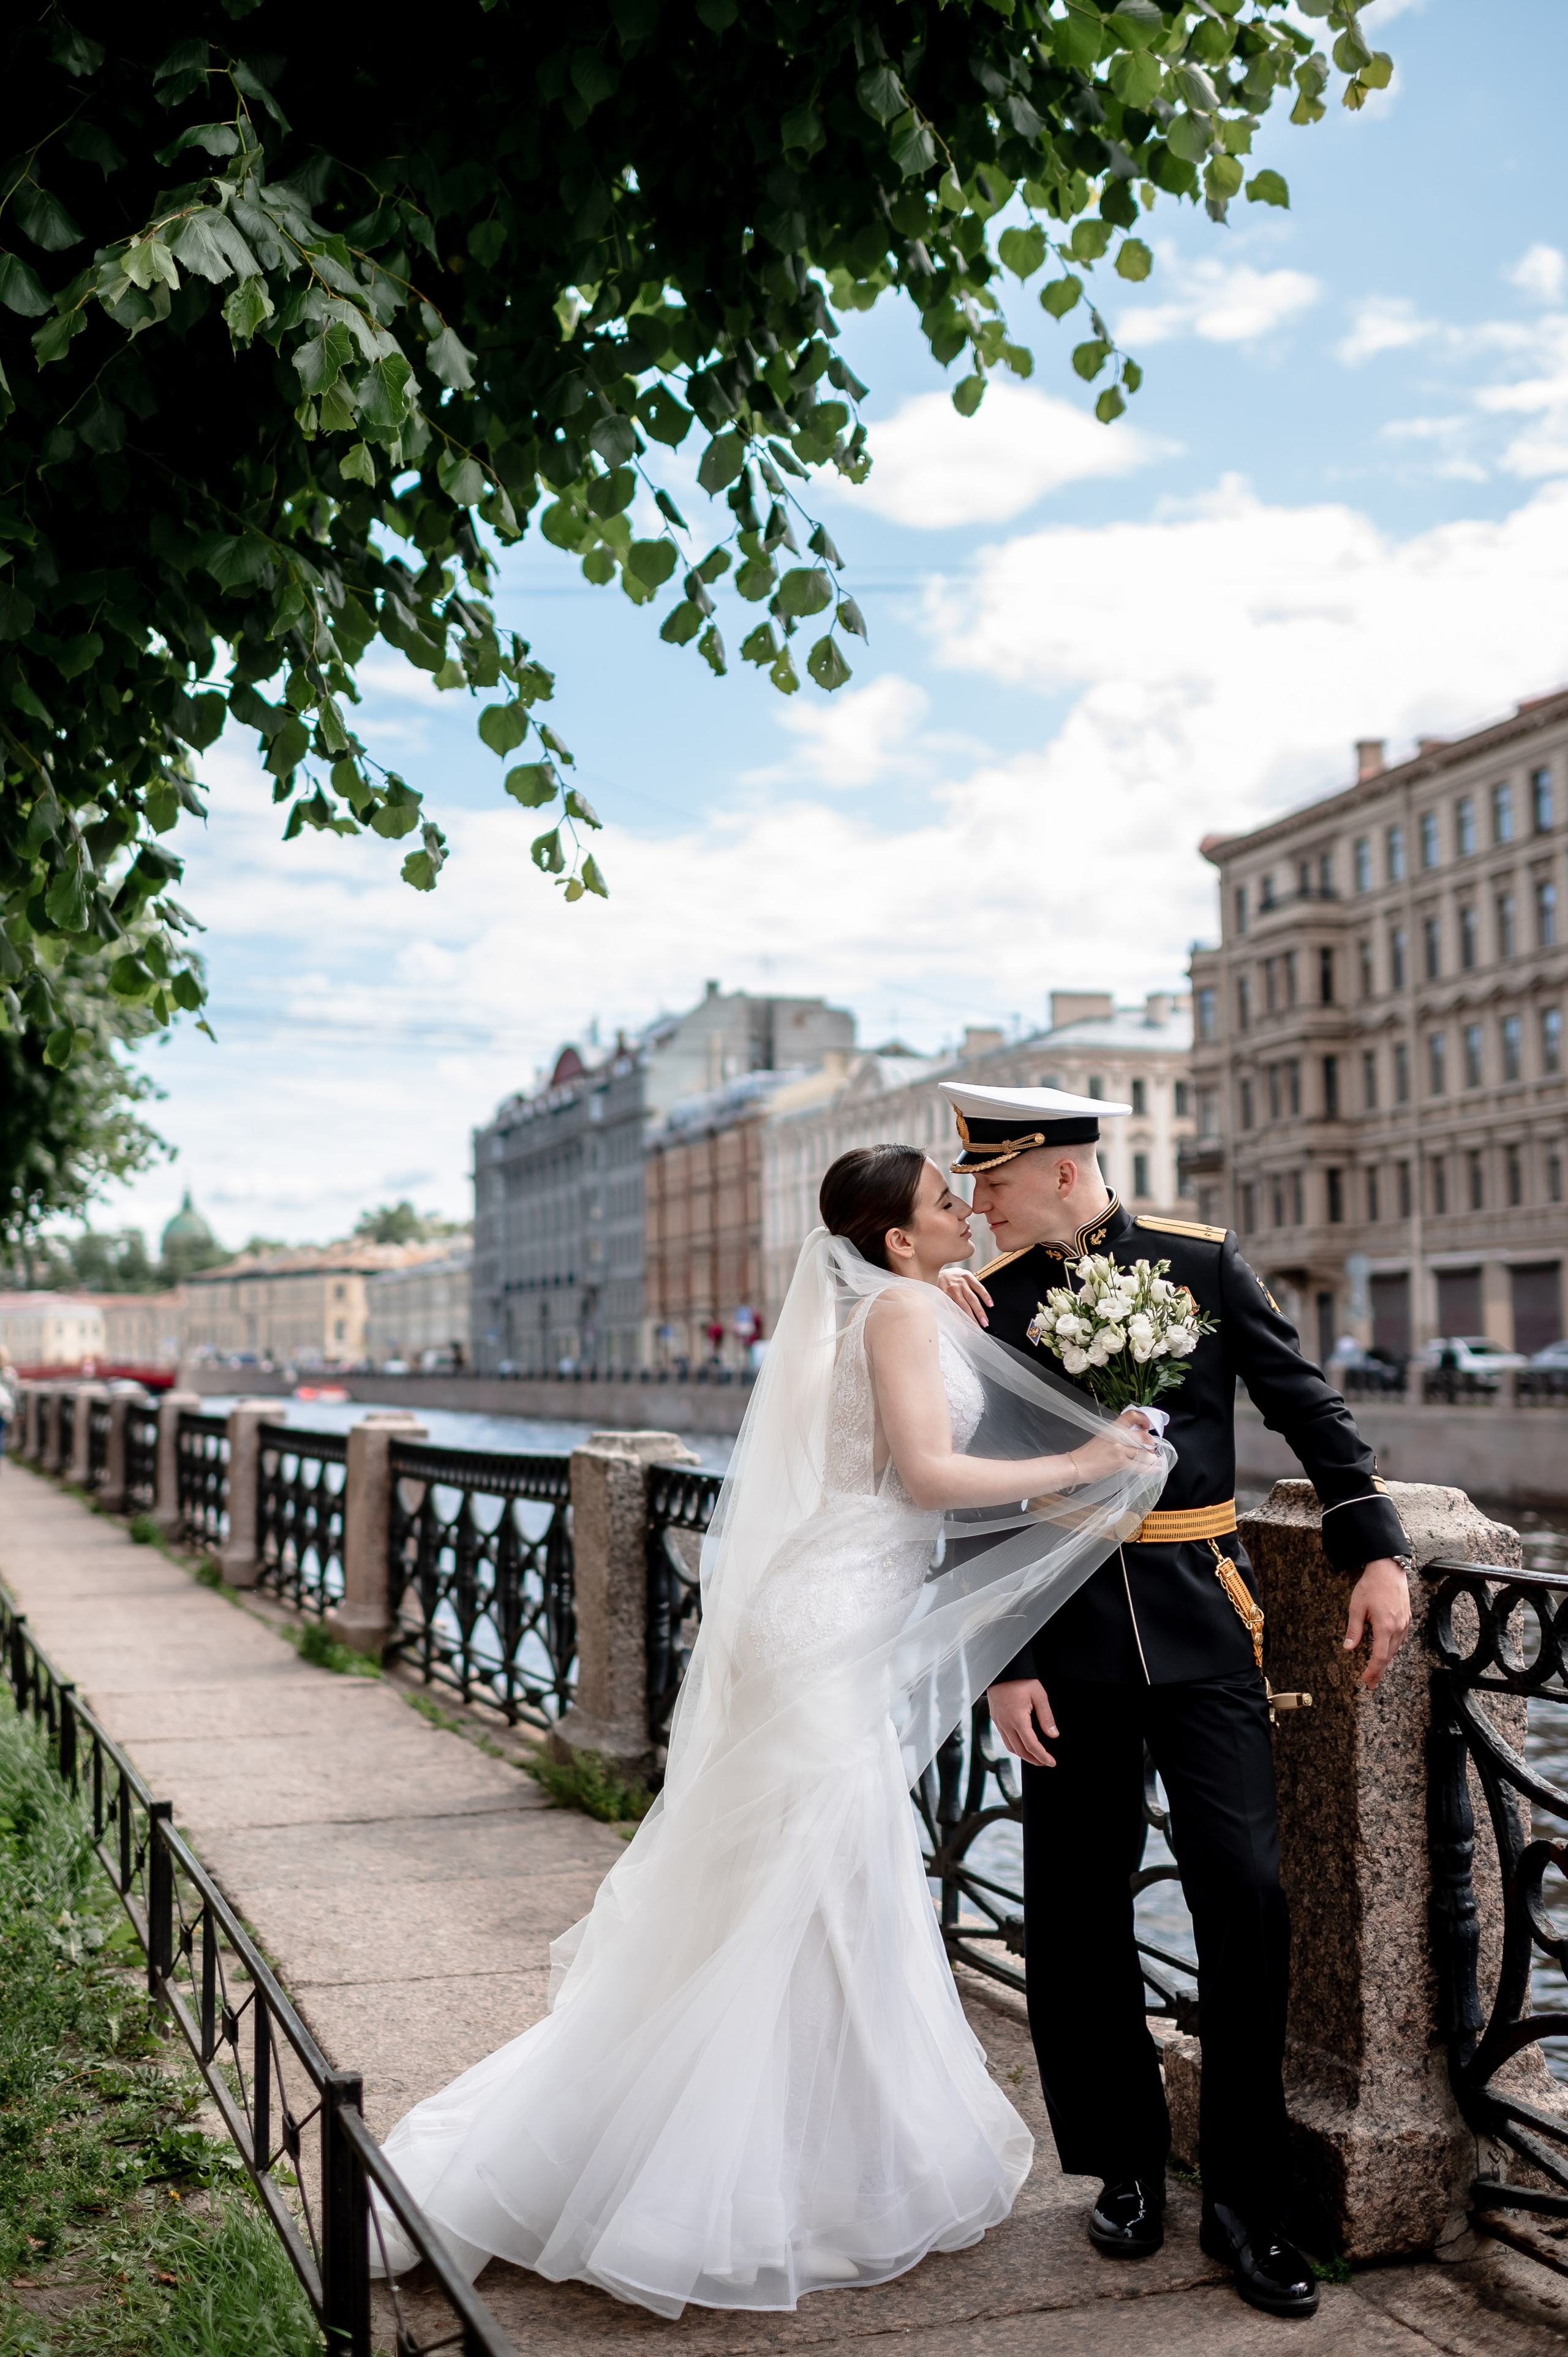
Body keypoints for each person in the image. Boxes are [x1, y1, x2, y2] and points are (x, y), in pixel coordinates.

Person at [369, 1144, 1167, 2317]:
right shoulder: (899, 1314)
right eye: (948, 1206)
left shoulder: (904, 1305)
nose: (967, 1215)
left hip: (832, 1605)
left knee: (819, 1881)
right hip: (831, 1625)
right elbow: (934, 1478)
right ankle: (745, 2172)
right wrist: (1093, 1458)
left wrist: (941, 1306)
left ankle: (811, 2154)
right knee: (820, 1882)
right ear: (896, 1241)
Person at [938, 1081, 1412, 2321]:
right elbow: (974, 1484)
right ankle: (1127, 2169)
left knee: (1244, 1890)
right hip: (1064, 1634)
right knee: (1075, 1905)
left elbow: (1301, 1399)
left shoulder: (1195, 1259)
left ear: (1054, 1166)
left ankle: (1245, 2201)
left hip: (1207, 1625)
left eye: (990, 1179)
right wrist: (1002, 1654)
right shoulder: (988, 1300)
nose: (975, 1203)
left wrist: (1372, 1544)